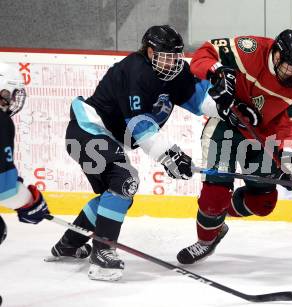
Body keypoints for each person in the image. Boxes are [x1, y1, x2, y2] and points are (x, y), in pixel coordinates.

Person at [48, 25, 222, 281]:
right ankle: (102, 253)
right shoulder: (136, 70)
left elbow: (197, 100)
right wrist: (171, 156)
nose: (173, 62)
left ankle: (68, 244)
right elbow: (139, 126)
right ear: (150, 52)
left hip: (105, 138)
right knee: (123, 180)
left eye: (176, 55)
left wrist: (227, 107)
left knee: (118, 193)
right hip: (86, 131)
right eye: (166, 55)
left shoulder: (176, 73)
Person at [177, 29, 292, 264]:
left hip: (261, 135)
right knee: (213, 198)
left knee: (263, 203)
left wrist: (288, 155)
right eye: (290, 65)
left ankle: (220, 216)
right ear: (277, 55)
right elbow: (203, 55)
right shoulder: (249, 49)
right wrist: (218, 71)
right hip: (225, 125)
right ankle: (207, 239)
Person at [0, 63, 50, 246]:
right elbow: (3, 188)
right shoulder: (2, 121)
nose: (13, 99)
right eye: (11, 93)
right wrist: (30, 202)